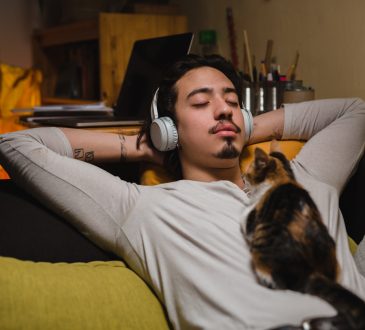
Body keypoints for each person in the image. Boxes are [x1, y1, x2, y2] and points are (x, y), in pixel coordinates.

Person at [0, 54, 365, 330]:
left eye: (232, 101)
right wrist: (140, 146)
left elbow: (355, 111)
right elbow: (17, 145)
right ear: (169, 129)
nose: (224, 110)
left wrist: (248, 126)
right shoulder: (142, 208)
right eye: (202, 102)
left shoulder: (303, 178)